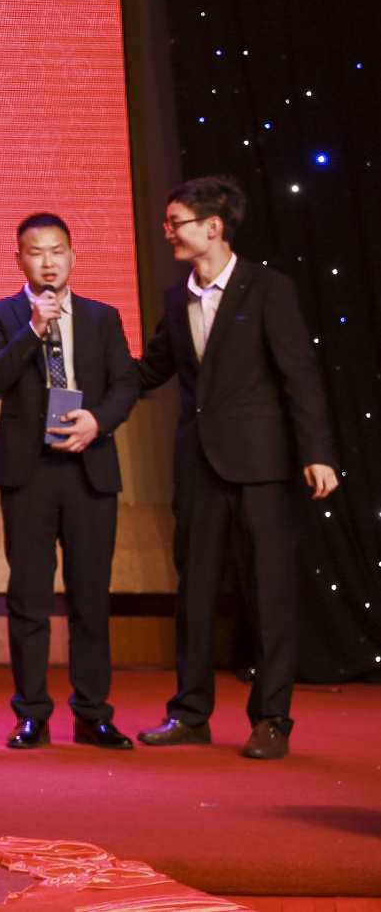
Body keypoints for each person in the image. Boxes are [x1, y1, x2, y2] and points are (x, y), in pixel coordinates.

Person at [135, 176, 338, 760]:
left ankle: (272, 718)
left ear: (213, 226)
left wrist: (317, 453)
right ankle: (190, 714)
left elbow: (300, 375)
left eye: (176, 222)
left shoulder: (268, 288)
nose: (168, 232)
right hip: (199, 465)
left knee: (269, 593)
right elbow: (150, 369)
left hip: (262, 465)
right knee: (195, 594)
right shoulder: (177, 299)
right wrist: (83, 375)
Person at [0, 212, 140, 750]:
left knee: (91, 597)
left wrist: (98, 421)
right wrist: (33, 329)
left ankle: (93, 714)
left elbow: (125, 385)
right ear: (19, 259)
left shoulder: (102, 317)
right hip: (29, 473)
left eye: (57, 251)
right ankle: (31, 715)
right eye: (36, 252)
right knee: (29, 597)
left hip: (89, 468)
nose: (48, 263)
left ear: (73, 255)